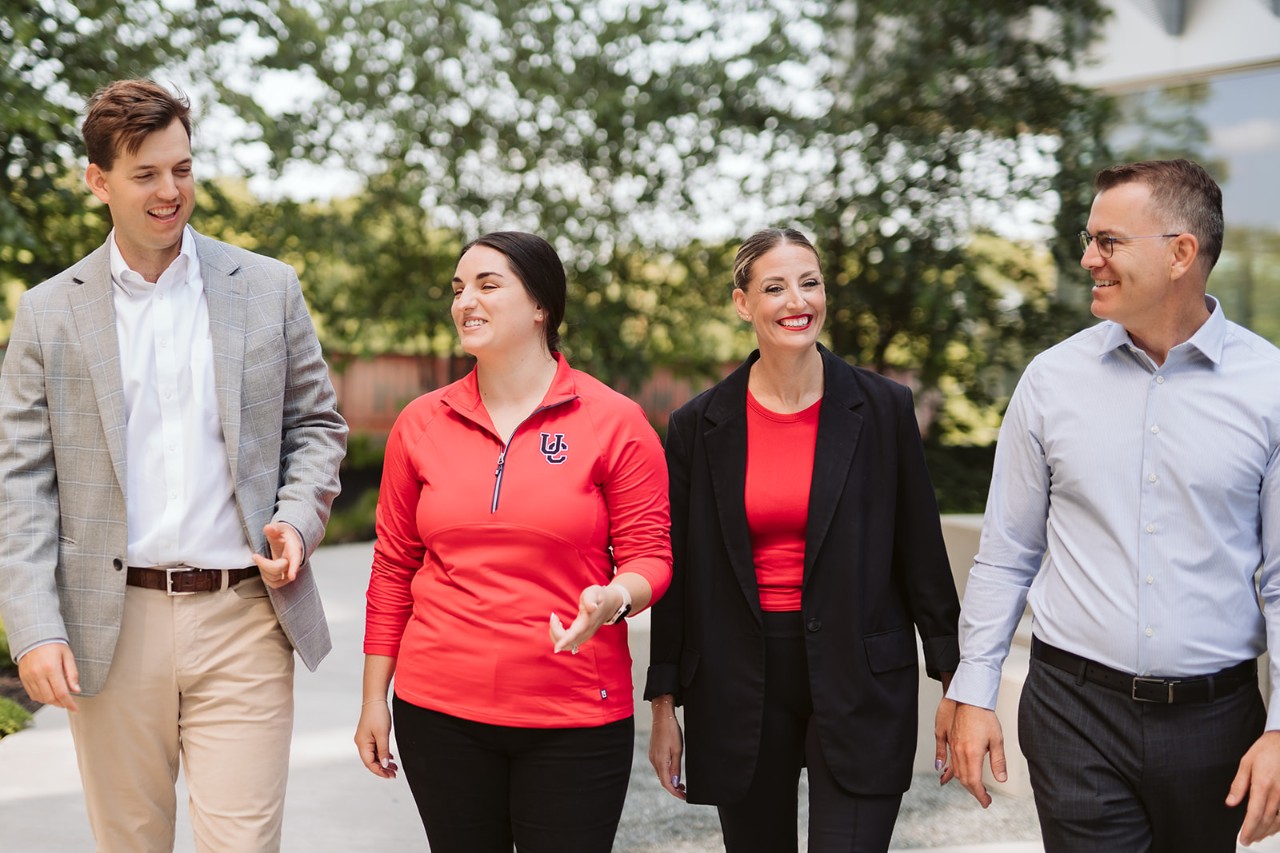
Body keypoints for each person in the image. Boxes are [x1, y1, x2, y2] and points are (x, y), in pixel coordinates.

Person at [0, 79, 347, 851]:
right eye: (147, 174)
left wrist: (296, 519)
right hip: (111, 624)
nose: (171, 191)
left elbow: (317, 425)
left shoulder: (267, 287)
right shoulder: (48, 313)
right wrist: (33, 626)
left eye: (182, 169)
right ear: (98, 181)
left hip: (244, 616)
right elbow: (20, 483)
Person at [947, 158, 1280, 851]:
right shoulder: (1050, 381)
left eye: (1109, 241)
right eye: (1088, 239)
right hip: (1074, 715)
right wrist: (973, 689)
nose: (1087, 258)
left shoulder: (1269, 388)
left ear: (1180, 253)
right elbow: (1007, 555)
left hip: (1217, 723)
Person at [644, 227, 961, 852]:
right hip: (737, 681)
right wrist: (663, 704)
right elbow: (681, 576)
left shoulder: (884, 409)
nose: (797, 301)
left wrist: (959, 685)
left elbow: (922, 555)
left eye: (809, 283)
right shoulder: (697, 425)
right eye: (775, 287)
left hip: (861, 673)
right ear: (742, 304)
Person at [354, 230, 671, 852]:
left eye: (487, 285)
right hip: (438, 713)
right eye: (457, 288)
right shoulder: (420, 422)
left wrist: (613, 599)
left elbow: (651, 557)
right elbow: (392, 567)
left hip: (575, 714)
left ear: (541, 306)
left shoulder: (614, 421)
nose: (464, 301)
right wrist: (373, 698)